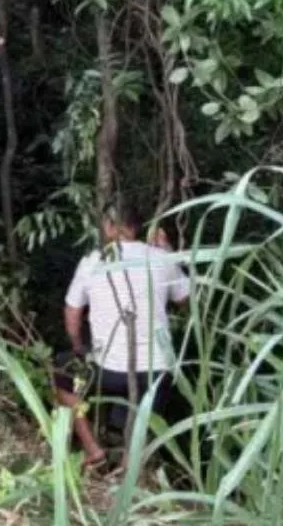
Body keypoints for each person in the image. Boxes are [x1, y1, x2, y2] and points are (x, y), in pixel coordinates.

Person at [53, 201, 191, 469]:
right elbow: (188, 299)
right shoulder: (161, 258)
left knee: (62, 374)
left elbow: (72, 313)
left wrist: (80, 347)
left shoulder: (93, 261)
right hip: (157, 372)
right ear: (137, 227)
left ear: (109, 226)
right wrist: (169, 251)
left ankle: (94, 450)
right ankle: (131, 463)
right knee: (144, 412)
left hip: (108, 371)